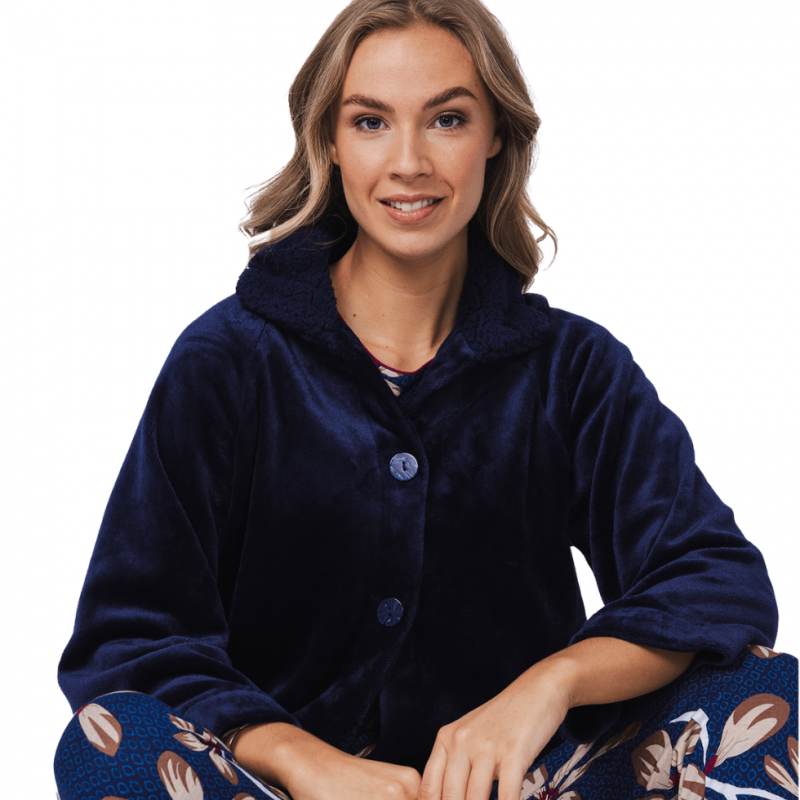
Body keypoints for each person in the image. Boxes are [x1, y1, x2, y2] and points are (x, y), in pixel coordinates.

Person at [54, 1, 797, 799]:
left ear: (496, 135)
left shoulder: (572, 369)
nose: (408, 161)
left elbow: (713, 579)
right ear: (329, 142)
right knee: (107, 743)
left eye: (447, 119)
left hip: (524, 785)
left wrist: (550, 685)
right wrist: (300, 759)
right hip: (275, 791)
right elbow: (129, 641)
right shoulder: (228, 360)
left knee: (764, 693)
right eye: (370, 122)